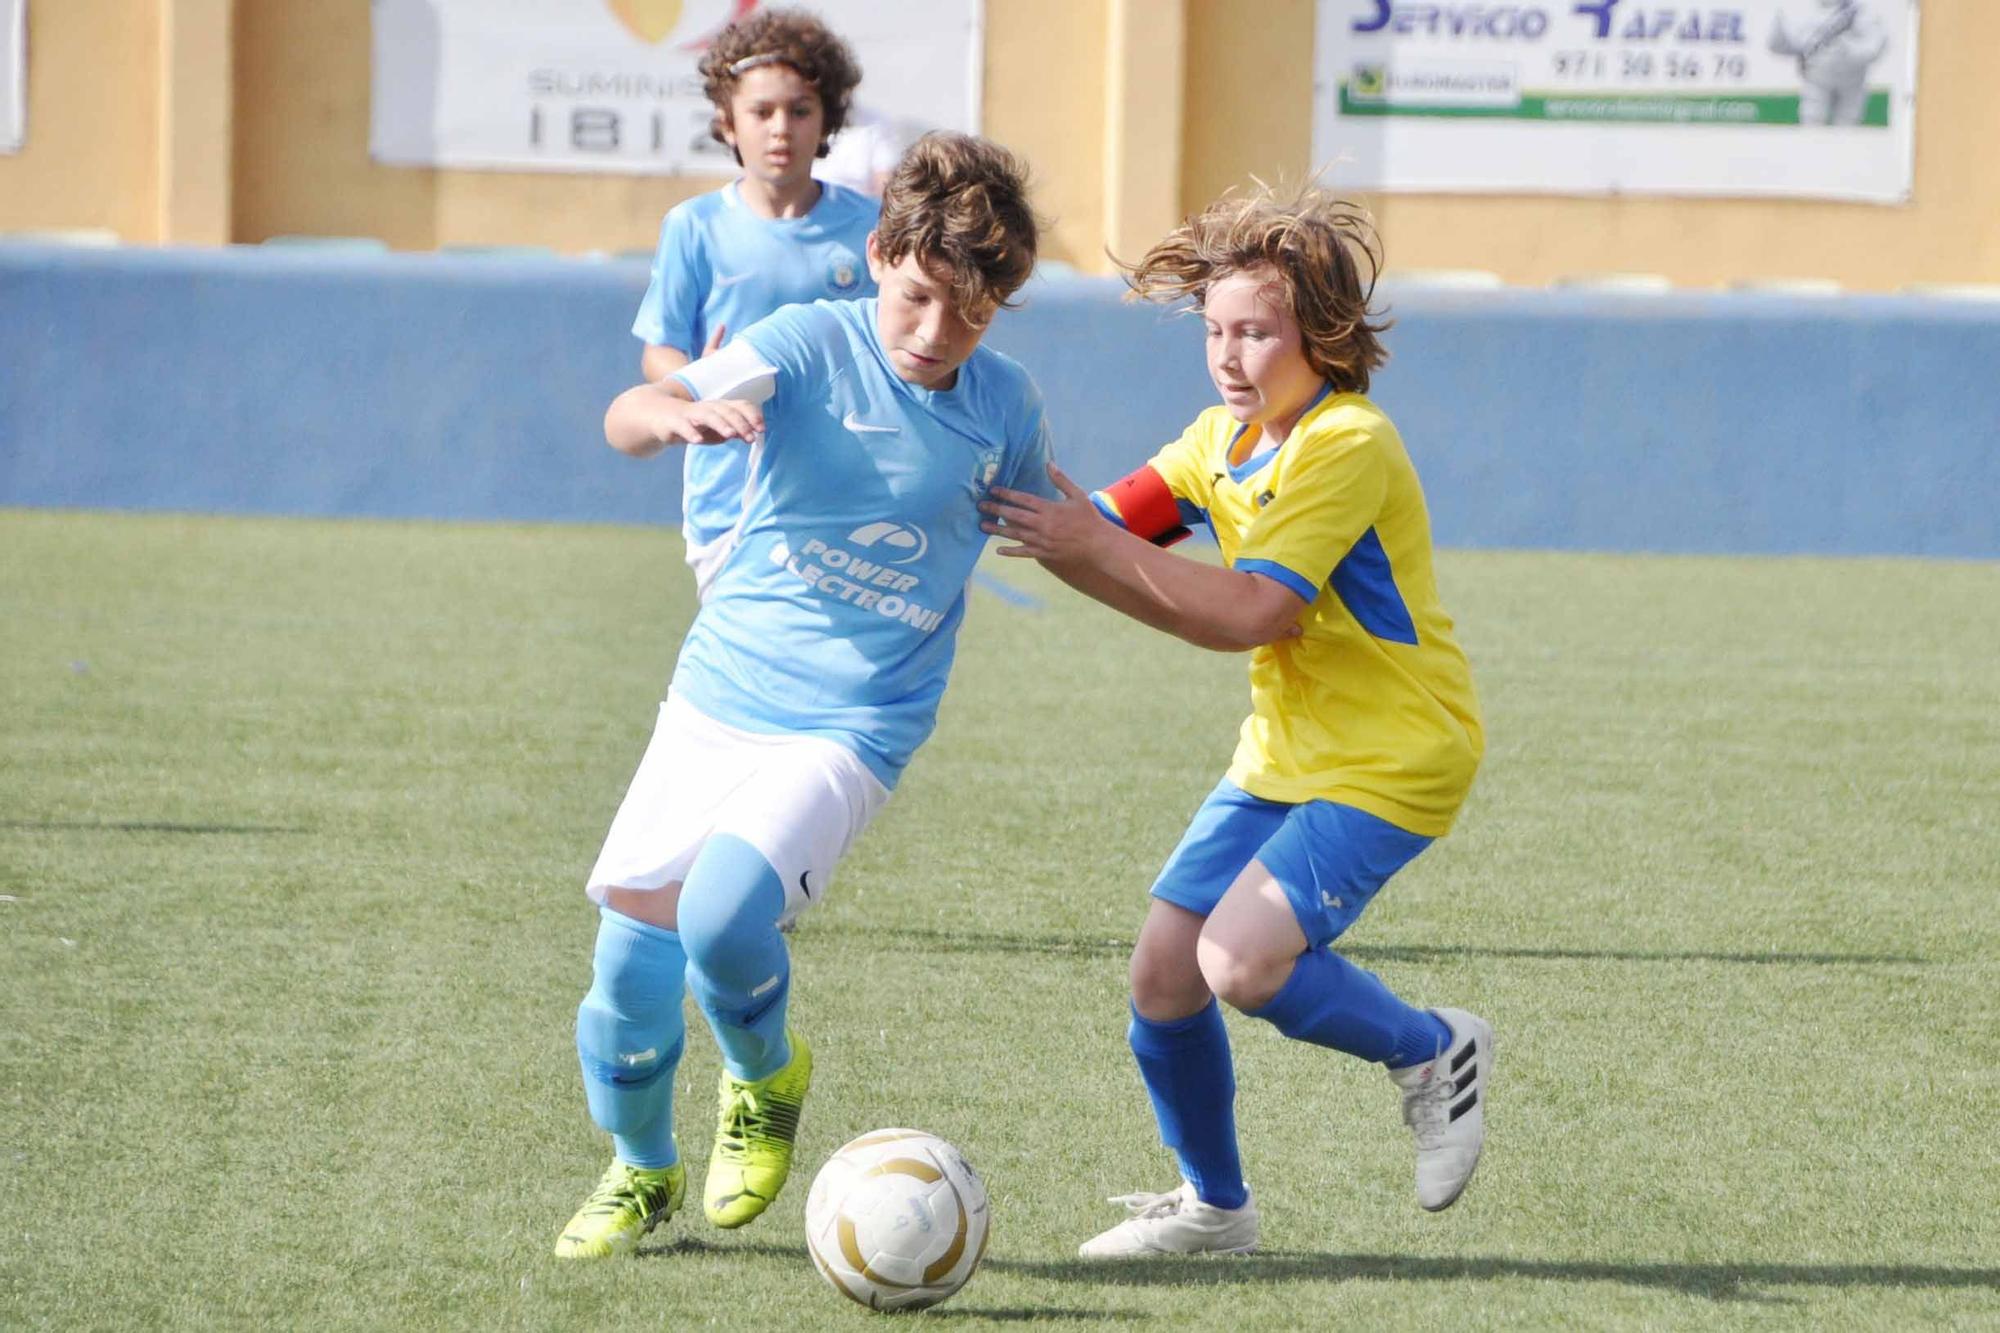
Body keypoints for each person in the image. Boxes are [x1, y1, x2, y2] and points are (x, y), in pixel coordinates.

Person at [555, 131, 1053, 1260]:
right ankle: (638, 1171)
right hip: (720, 688)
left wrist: (1098, 537)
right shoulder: (806, 343)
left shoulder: (1006, 406)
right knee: (625, 978)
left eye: (971, 314)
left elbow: (1045, 518)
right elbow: (632, 412)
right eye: (920, 297)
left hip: (855, 718)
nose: (937, 335)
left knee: (723, 913)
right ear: (879, 254)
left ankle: (764, 1075)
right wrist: (670, 417)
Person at [980, 184, 1493, 1257]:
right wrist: (982, 494)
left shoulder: (1342, 440)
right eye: (1214, 329)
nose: (1226, 353)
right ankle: (1215, 1209)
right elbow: (1111, 531)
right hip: (1283, 752)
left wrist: (1082, 544)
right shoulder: (1219, 438)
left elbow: (1251, 610)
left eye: (1254, 330)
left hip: (1394, 752)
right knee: (1163, 976)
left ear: (1323, 331)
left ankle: (1431, 1047)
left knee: (1238, 964)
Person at [632, 8, 879, 599]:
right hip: (729, 491)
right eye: (761, 111)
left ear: (827, 122)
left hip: (843, 483)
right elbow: (659, 352)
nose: (780, 129)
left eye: (799, 111)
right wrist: (702, 379)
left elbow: (888, 340)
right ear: (726, 121)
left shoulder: (871, 227)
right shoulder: (695, 226)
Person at [1770, 0, 1888, 126]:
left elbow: (1875, 45)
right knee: (1812, 119)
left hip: (1852, 82)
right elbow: (1788, 45)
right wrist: (1779, 31)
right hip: (1817, 81)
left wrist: (1850, 50)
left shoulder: (1860, 14)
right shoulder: (1808, 14)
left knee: (1849, 123)